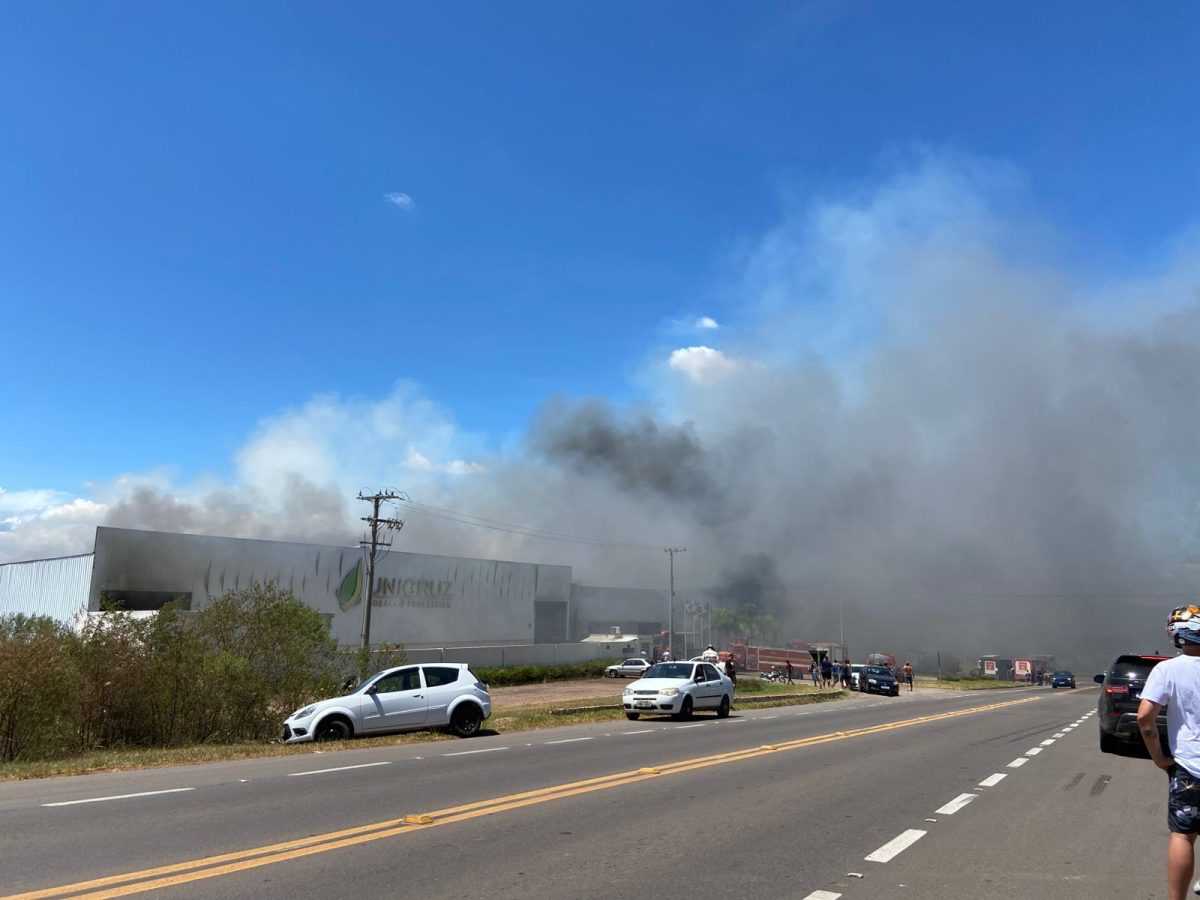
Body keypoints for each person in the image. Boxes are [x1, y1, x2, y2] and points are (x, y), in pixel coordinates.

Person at [1138, 604, 1200, 900]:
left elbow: (1145, 717)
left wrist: (1159, 757)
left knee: (1183, 835)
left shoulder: (1167, 670)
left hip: (1189, 766)